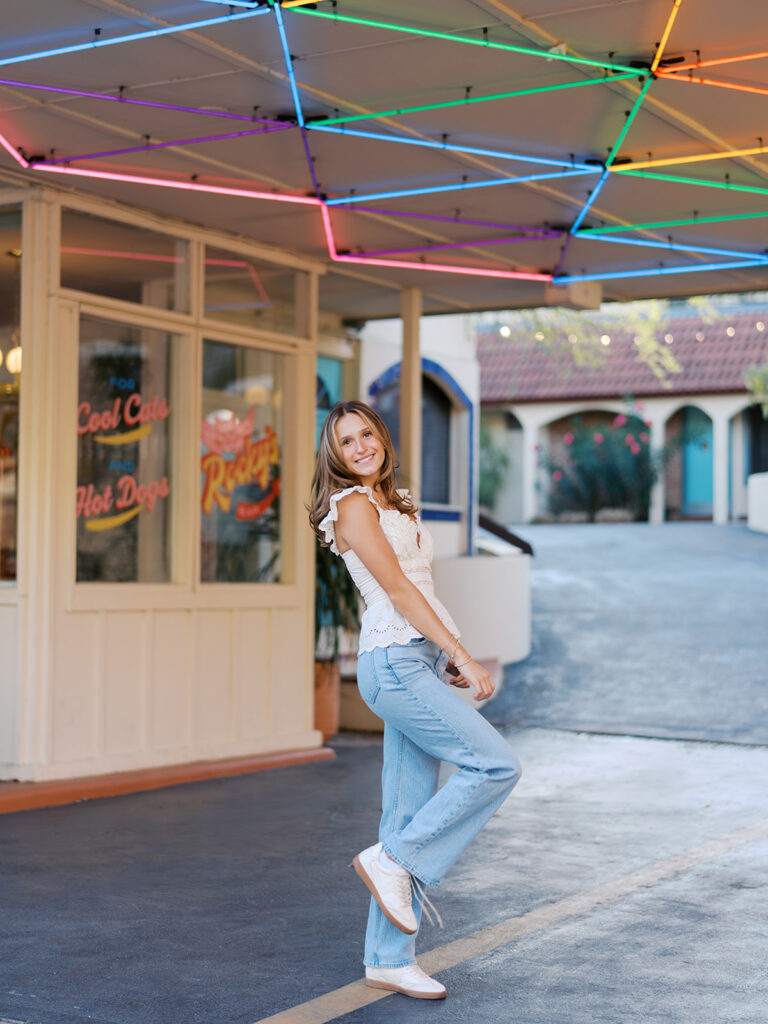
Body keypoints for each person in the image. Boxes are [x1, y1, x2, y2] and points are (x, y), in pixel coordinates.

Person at [309, 400, 521, 1001]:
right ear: (336, 456)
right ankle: (392, 860)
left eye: (366, 435)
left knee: (403, 811)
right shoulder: (350, 507)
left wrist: (444, 654)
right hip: (393, 663)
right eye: (346, 442)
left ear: (382, 439)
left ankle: (387, 957)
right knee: (496, 764)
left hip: (415, 661)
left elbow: (421, 586)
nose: (359, 448)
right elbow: (398, 590)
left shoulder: (394, 503)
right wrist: (461, 652)